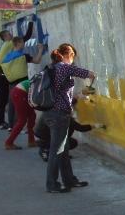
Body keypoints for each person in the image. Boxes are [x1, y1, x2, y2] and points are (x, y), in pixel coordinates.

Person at [41, 43, 95, 193]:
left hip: (50, 112)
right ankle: (51, 184)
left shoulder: (51, 67)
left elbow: (61, 93)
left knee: (63, 149)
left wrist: (77, 96)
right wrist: (90, 83)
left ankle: (69, 180)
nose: (73, 61)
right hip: (59, 115)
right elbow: (89, 74)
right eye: (73, 57)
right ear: (69, 55)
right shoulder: (64, 67)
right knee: (56, 150)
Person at [0, 22, 34, 129]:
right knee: (6, 100)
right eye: (8, 34)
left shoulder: (5, 46)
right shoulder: (9, 43)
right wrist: (31, 23)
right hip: (2, 75)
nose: (11, 35)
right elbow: (26, 37)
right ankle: (2, 123)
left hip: (1, 74)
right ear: (5, 37)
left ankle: (2, 122)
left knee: (5, 99)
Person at [4, 79, 37, 150]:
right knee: (22, 120)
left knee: (32, 116)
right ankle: (9, 142)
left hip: (21, 92)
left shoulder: (45, 78)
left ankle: (31, 141)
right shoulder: (47, 81)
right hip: (20, 93)